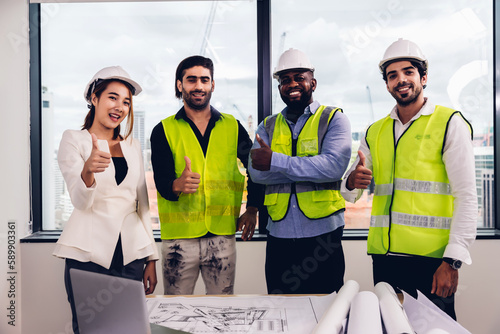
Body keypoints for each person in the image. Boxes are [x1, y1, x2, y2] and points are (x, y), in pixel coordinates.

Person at [341, 38, 477, 319]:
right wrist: (354, 181)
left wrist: (452, 262)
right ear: (387, 84)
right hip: (385, 260)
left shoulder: (449, 123)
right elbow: (349, 191)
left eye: (408, 72)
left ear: (423, 77)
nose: (400, 80)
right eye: (393, 75)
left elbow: (467, 196)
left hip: (432, 262)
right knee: (391, 327)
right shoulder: (375, 131)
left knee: (434, 329)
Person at [53, 66, 159, 333]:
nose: (120, 107)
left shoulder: (133, 146)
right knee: (91, 328)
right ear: (94, 98)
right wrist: (87, 170)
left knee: (131, 327)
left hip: (131, 255)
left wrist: (151, 258)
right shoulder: (73, 139)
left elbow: (142, 205)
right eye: (113, 97)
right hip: (89, 253)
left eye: (126, 101)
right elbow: (79, 200)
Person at [150, 55, 263, 295]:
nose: (199, 86)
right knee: (176, 315)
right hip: (178, 242)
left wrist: (253, 208)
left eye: (204, 80)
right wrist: (176, 185)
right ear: (180, 85)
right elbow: (161, 182)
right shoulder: (163, 130)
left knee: (221, 312)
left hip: (222, 237)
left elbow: (257, 168)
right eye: (191, 80)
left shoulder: (233, 126)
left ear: (212, 85)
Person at [249, 48, 352, 294]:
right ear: (279, 88)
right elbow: (257, 174)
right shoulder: (267, 126)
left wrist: (275, 160)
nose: (292, 84)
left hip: (323, 237)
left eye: (299, 77)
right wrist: (308, 166)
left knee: (326, 312)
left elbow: (332, 167)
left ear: (312, 83)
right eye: (285, 80)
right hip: (279, 237)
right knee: (280, 310)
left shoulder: (333, 119)